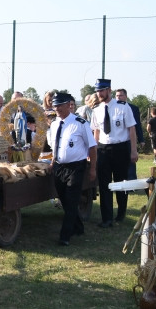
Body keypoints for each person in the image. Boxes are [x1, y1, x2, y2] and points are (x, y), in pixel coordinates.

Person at [47, 92, 97, 246]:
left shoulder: (80, 123)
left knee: (71, 200)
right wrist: (52, 162)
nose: (57, 108)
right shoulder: (54, 124)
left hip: (76, 167)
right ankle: (79, 227)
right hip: (59, 167)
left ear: (69, 105)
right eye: (55, 105)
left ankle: (65, 236)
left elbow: (92, 147)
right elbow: (56, 146)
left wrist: (93, 168)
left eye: (59, 105)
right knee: (64, 200)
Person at [89, 78, 138, 227]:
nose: (99, 93)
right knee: (104, 184)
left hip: (120, 148)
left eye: (102, 90)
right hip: (103, 150)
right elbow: (96, 132)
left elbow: (131, 129)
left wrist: (134, 151)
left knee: (121, 183)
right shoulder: (96, 110)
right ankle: (107, 218)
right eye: (97, 91)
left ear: (109, 90)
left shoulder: (123, 107)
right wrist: (94, 151)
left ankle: (121, 213)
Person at [115, 88, 143, 180]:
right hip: (118, 140)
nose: (118, 97)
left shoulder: (133, 108)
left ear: (126, 96)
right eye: (117, 96)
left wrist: (141, 139)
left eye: (120, 95)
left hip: (130, 139)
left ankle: (132, 182)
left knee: (131, 161)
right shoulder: (112, 108)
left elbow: (137, 125)